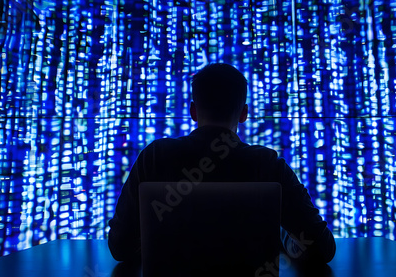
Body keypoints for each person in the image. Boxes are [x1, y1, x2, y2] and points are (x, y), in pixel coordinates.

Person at [108, 63, 336, 266]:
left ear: (193, 111)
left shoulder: (155, 157)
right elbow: (321, 247)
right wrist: (282, 236)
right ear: (244, 113)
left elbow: (120, 246)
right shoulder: (267, 164)